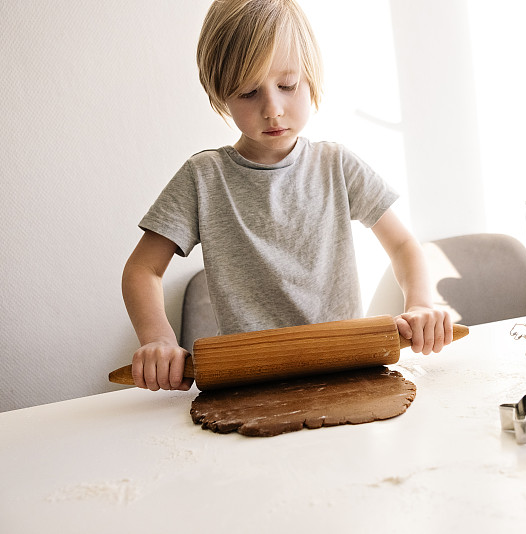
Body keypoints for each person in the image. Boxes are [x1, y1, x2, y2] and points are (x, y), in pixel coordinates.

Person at [121, 0, 453, 392]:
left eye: (287, 85)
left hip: (344, 372)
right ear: (219, 93)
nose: (272, 109)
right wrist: (158, 339)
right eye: (248, 92)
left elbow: (403, 246)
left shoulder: (337, 165)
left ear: (311, 79)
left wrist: (419, 304)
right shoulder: (203, 178)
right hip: (250, 383)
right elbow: (142, 270)